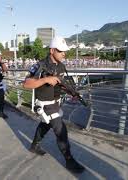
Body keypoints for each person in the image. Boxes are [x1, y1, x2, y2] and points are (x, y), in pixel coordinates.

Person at [22, 37, 85, 173]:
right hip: (45, 104)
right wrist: (45, 79)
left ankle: (34, 145)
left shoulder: (61, 66)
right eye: (61, 51)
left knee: (45, 125)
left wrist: (71, 92)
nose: (64, 54)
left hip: (56, 103)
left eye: (64, 51)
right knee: (60, 130)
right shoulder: (40, 65)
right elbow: (26, 84)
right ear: (52, 50)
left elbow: (61, 84)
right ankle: (69, 160)